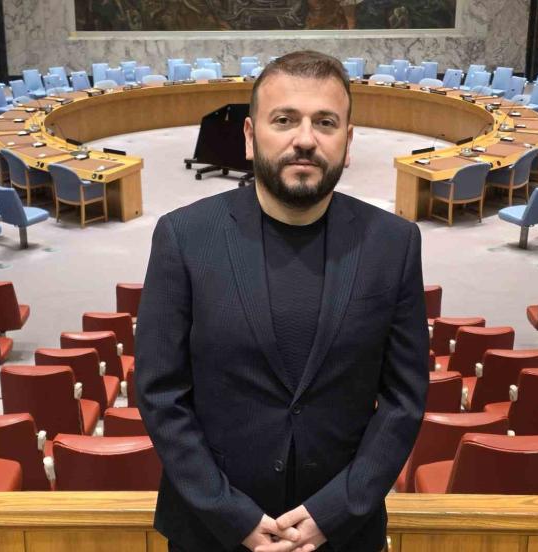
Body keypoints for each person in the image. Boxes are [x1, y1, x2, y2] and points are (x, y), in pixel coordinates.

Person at [135, 50, 428, 552]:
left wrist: (336, 511)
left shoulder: (394, 243)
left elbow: (404, 400)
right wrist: (231, 514)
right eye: (285, 120)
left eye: (325, 123)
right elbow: (160, 393)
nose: (305, 139)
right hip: (211, 533)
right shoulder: (183, 237)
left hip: (343, 535)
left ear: (348, 142)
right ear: (250, 137)